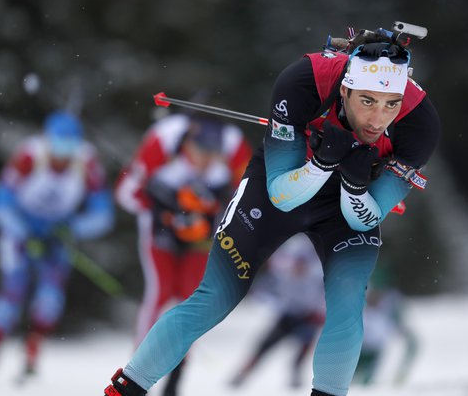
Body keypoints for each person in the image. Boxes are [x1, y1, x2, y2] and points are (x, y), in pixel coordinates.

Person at [103, 25, 441, 396]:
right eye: (366, 101)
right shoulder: (304, 82)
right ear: (344, 89)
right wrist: (323, 164)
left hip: (348, 204)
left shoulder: (419, 123)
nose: (378, 120)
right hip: (283, 182)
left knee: (346, 309)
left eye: (390, 104)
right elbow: (282, 195)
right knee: (216, 297)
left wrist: (355, 183)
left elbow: (367, 217)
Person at [114, 112, 252, 396]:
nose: (205, 159)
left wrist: (210, 213)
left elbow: (246, 200)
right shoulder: (164, 152)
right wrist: (165, 211)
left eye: (213, 153)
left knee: (192, 299)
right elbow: (126, 192)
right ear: (188, 143)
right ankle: (136, 372)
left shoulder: (227, 160)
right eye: (201, 151)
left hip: (199, 243)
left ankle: (177, 374)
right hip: (160, 237)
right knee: (160, 293)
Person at [0, 110, 114, 380]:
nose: (63, 153)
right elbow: (0, 204)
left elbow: (102, 214)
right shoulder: (29, 156)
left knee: (50, 298)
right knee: (11, 295)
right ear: (47, 139)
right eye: (58, 143)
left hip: (57, 235)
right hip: (21, 233)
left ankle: (31, 355)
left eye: (70, 145)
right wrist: (23, 231)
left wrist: (72, 227)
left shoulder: (87, 162)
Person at [229, 233, 325, 389]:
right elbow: (275, 264)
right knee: (264, 345)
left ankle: (296, 378)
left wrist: (321, 311)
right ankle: (243, 374)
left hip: (309, 313)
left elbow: (326, 284)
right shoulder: (291, 251)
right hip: (288, 312)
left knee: (303, 349)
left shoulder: (320, 258)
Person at [353, 284, 418, 386]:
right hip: (357, 349)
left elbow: (410, 340)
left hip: (373, 351)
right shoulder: (359, 300)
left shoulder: (390, 306)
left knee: (364, 381)